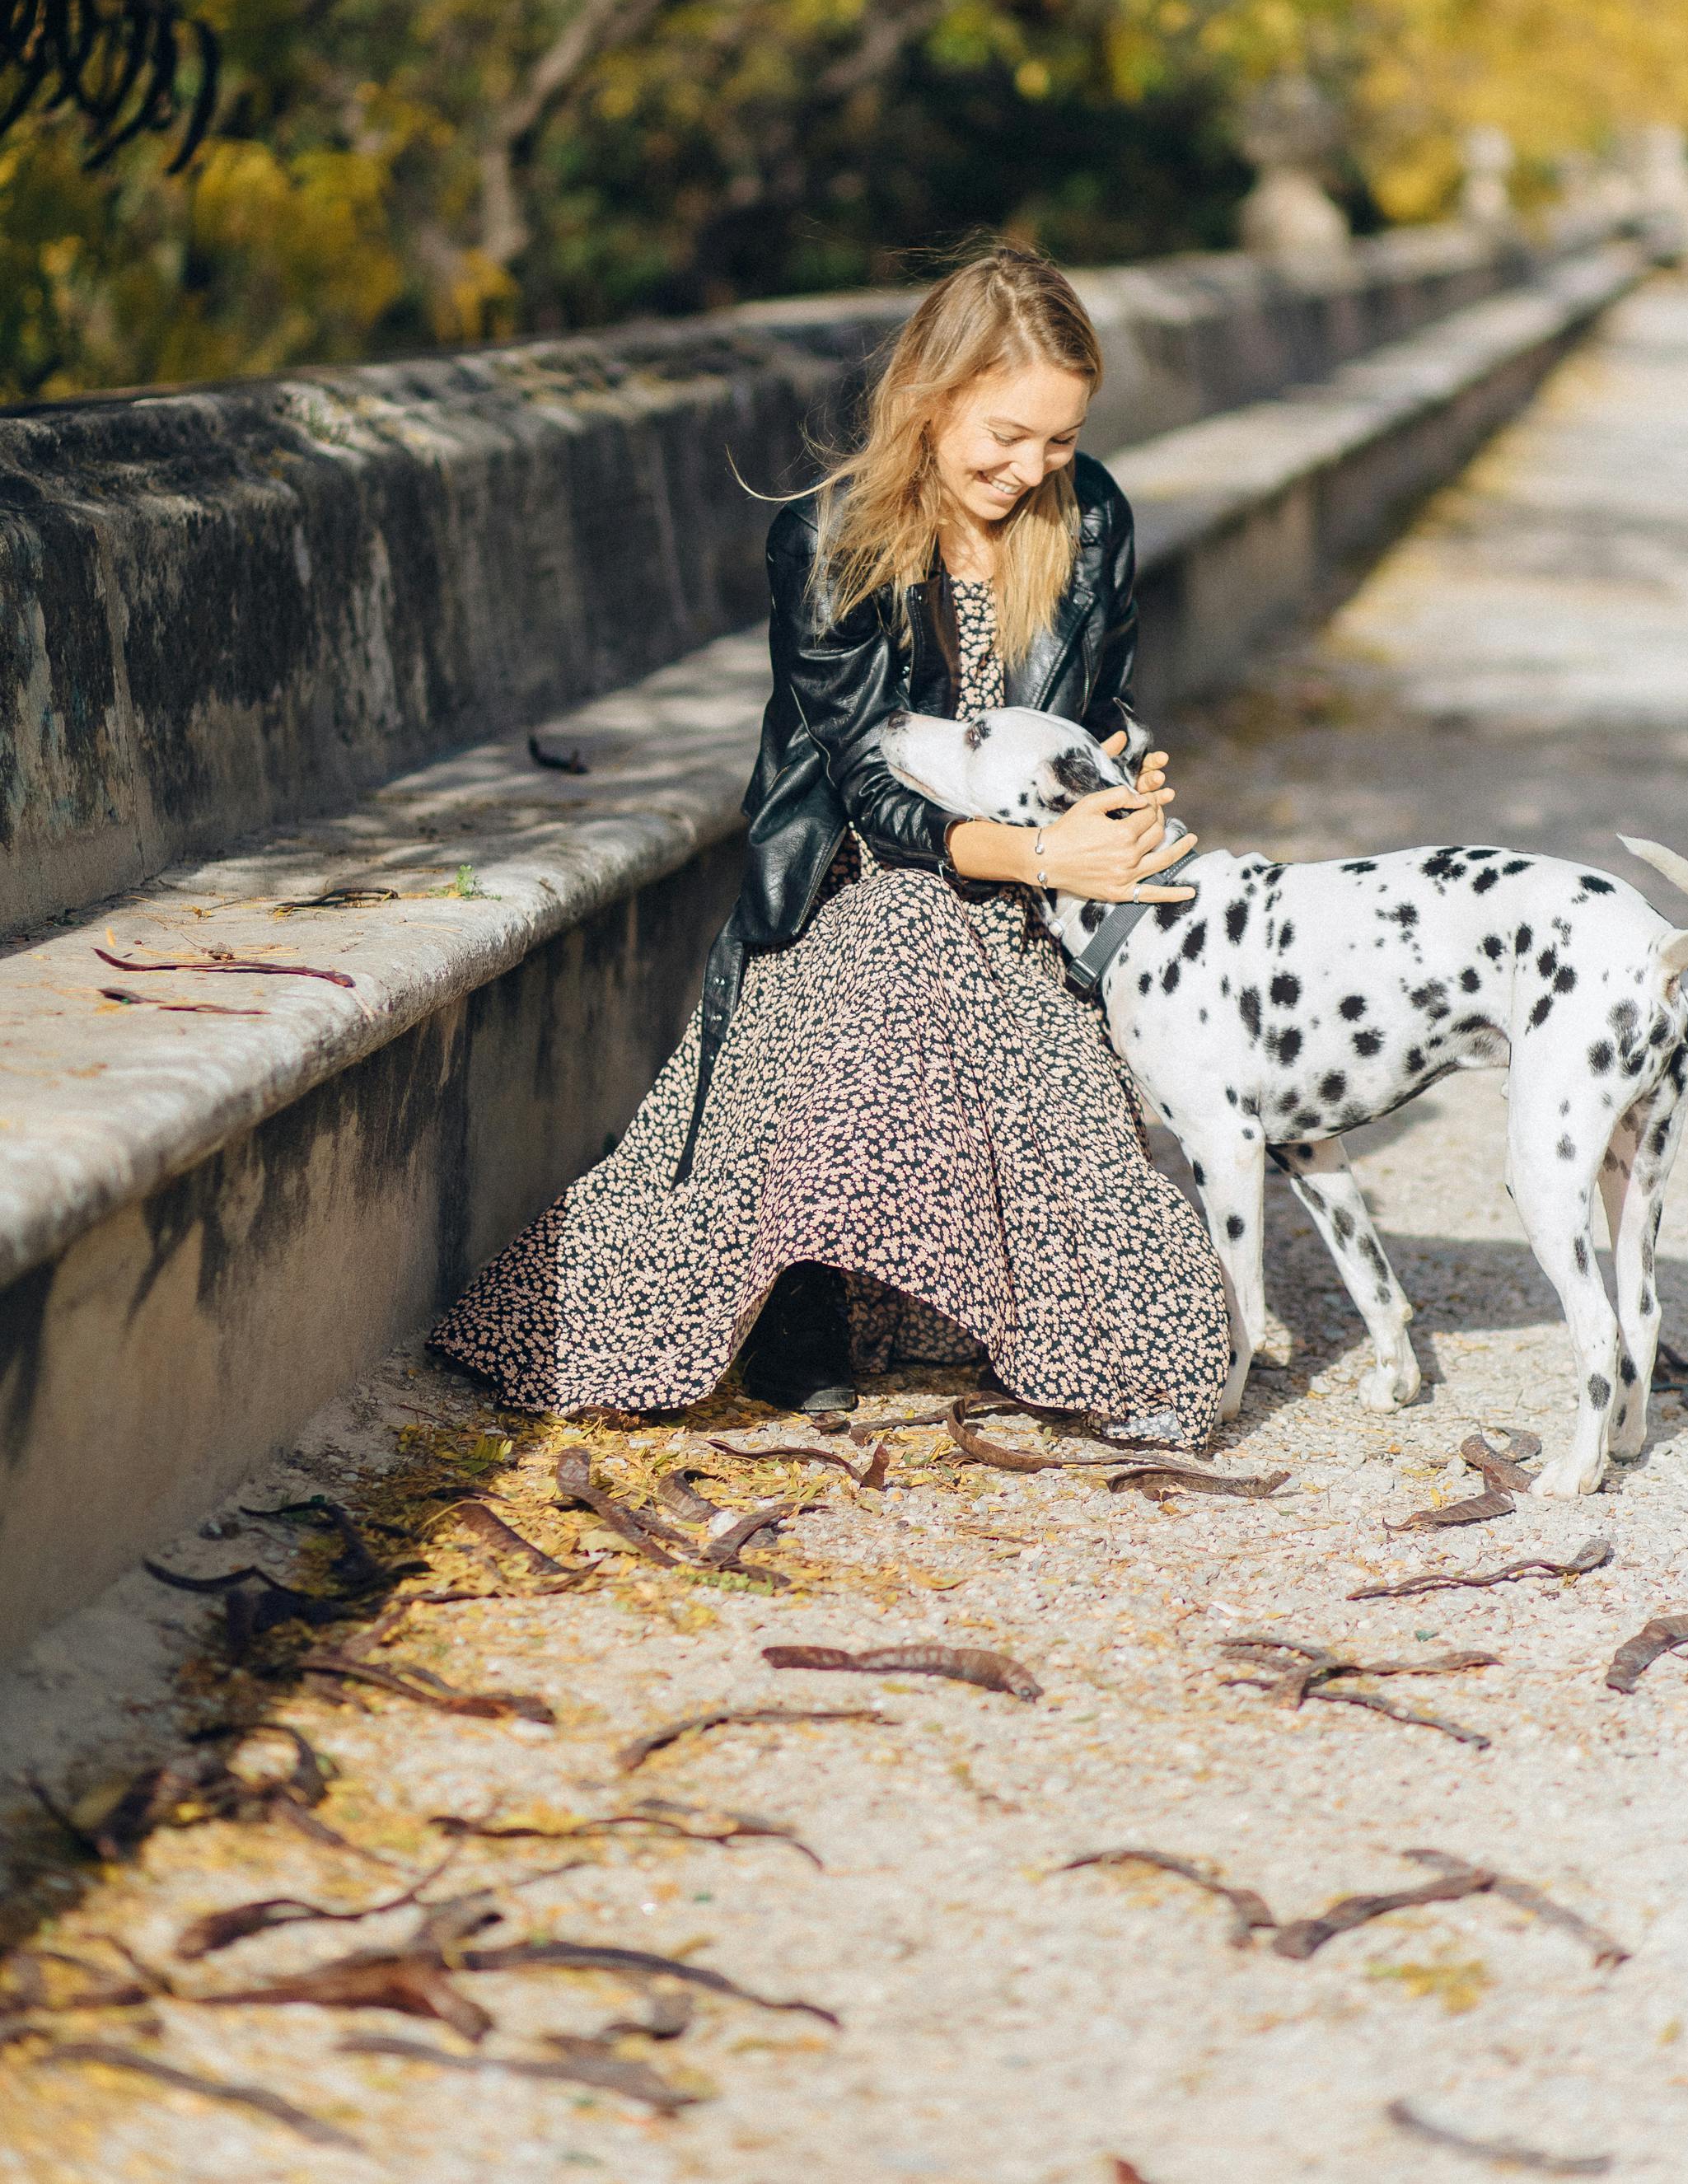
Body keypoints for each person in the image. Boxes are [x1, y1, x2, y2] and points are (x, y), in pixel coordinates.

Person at [429, 243, 1232, 1444]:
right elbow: (865, 787)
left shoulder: (1092, 516)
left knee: (1145, 1333)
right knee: (905, 931)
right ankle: (798, 1290)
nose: (1033, 469)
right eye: (1006, 436)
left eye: (1059, 441)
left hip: (1035, 893)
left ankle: (914, 1281)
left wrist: (1119, 781)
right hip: (857, 882)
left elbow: (1090, 709)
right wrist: (1037, 859)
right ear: (930, 396)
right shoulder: (827, 540)